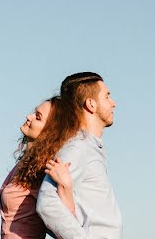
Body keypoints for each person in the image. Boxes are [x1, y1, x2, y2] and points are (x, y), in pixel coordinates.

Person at [36, 72, 122, 239]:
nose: (113, 103)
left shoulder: (88, 147)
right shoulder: (77, 147)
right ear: (91, 104)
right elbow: (46, 204)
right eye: (107, 97)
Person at [0, 97, 76, 239]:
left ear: (50, 131)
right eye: (34, 113)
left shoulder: (43, 169)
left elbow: (65, 222)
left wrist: (66, 186)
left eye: (38, 117)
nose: (29, 117)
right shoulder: (26, 165)